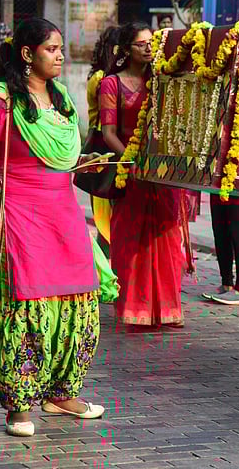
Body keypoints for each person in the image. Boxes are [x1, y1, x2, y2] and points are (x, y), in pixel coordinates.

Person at [0, 18, 108, 437]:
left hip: (64, 216)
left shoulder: (60, 97)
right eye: (52, 49)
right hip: (20, 217)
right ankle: (19, 405)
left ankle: (62, 392)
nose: (61, 56)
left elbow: (61, 157)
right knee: (25, 307)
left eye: (61, 49)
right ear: (27, 54)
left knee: (79, 303)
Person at [100, 21, 193, 328]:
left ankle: (167, 309)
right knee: (130, 241)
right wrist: (130, 161)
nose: (148, 48)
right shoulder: (111, 83)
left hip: (162, 173)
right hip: (132, 173)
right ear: (126, 50)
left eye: (151, 42)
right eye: (141, 44)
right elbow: (108, 132)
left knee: (167, 238)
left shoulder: (162, 79)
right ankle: (134, 309)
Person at [85, 26, 120, 256]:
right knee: (103, 212)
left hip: (105, 142)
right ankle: (103, 271)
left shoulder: (103, 75)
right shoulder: (102, 79)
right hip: (101, 146)